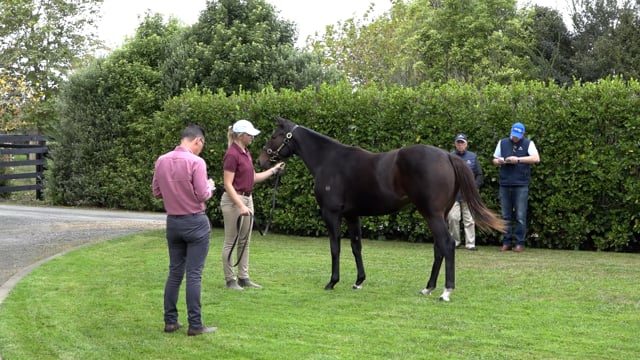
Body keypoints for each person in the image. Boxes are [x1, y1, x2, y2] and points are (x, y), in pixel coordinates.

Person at [152, 124, 217, 336]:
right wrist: (210, 186)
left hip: (173, 222)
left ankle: (170, 321)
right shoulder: (196, 162)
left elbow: (156, 192)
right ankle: (195, 324)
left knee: (174, 272)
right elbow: (202, 194)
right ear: (197, 140)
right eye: (202, 145)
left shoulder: (161, 160)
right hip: (195, 222)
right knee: (194, 274)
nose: (201, 149)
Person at [221, 119, 285, 290]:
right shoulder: (232, 154)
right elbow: (228, 184)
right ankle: (230, 280)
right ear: (241, 135)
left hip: (247, 198)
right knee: (231, 242)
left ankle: (243, 277)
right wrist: (240, 205)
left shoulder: (245, 152)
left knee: (244, 241)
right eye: (250, 135)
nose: (252, 138)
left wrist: (273, 170)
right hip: (234, 200)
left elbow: (253, 178)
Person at [492, 122, 540, 253]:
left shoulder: (528, 143)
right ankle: (506, 242)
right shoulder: (502, 142)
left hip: (521, 184)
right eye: (513, 135)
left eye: (517, 136)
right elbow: (494, 160)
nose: (515, 138)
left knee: (520, 215)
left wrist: (518, 160)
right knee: (505, 215)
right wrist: (499, 161)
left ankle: (519, 243)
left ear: (522, 134)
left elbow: (536, 158)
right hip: (505, 183)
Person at [447, 134, 483, 251]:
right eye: (458, 143)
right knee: (453, 218)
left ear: (466, 144)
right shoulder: (450, 156)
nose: (460, 145)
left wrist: (474, 187)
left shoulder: (473, 157)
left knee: (469, 219)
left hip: (468, 194)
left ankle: (470, 244)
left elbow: (479, 175)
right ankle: (455, 242)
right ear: (455, 144)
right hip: (453, 193)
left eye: (462, 142)